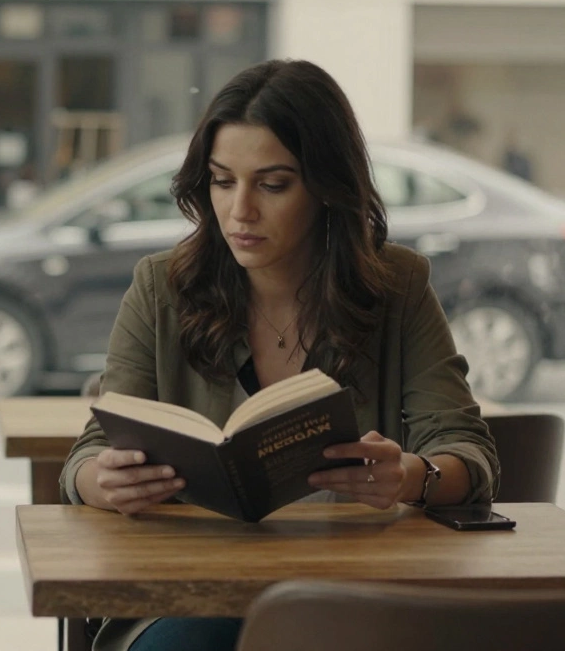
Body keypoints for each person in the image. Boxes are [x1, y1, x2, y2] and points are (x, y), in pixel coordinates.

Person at [58, 59, 499, 651]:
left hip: (353, 593)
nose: (240, 211)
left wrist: (411, 477)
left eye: (272, 184)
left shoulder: (397, 287)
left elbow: (470, 453)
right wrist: (100, 481)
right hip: (193, 596)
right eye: (221, 181)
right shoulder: (162, 288)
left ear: (325, 186)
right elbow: (87, 455)